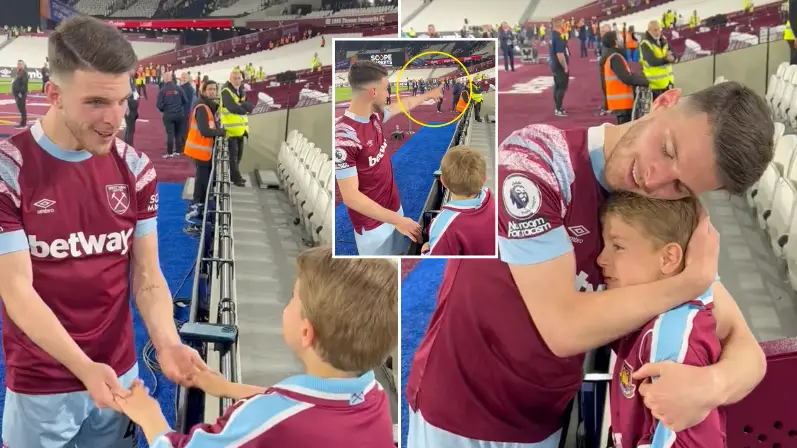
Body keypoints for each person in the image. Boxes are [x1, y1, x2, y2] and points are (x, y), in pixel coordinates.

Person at [406, 81, 772, 447]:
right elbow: (562, 327)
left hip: (543, 418)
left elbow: (746, 348)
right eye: (666, 148)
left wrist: (709, 387)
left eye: (681, 186)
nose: (654, 178)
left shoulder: (667, 211)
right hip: (457, 407)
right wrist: (688, 283)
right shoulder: (538, 158)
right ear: (664, 102)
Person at [0, 15, 207, 448]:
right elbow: (16, 289)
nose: (114, 119)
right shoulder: (10, 170)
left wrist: (167, 343)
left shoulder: (135, 168)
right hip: (42, 381)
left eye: (122, 101)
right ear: (53, 94)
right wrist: (83, 366)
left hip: (120, 374)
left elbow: (147, 276)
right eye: (96, 102)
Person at [113, 245, 397, 447]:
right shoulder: (375, 397)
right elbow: (312, 408)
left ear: (306, 332)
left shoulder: (269, 418)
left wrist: (148, 414)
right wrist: (228, 389)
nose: (288, 305)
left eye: (293, 298)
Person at [600, 192, 725, 447]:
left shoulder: (671, 341)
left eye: (618, 247)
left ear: (668, 258)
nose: (601, 259)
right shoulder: (644, 308)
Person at [335, 60, 442, 256]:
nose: (389, 94)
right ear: (373, 92)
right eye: (386, 89)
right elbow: (351, 198)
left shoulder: (374, 116)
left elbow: (404, 105)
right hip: (373, 228)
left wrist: (429, 95)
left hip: (393, 212)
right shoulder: (344, 136)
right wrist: (397, 220)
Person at [420, 146, 495, 256]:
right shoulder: (491, 198)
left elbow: (435, 261)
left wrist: (425, 250)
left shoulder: (444, 224)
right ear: (484, 179)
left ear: (443, 181)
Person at [184, 80, 227, 229]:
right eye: (209, 89)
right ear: (203, 91)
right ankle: (197, 204)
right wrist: (221, 132)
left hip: (203, 150)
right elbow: (204, 131)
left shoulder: (207, 105)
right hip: (200, 150)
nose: (212, 92)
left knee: (203, 178)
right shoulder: (202, 107)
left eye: (215, 89)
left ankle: (199, 203)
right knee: (202, 179)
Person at [601, 31, 649, 124]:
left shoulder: (613, 56)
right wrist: (645, 81)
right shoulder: (615, 57)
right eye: (619, 36)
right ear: (616, 41)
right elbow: (627, 78)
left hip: (621, 104)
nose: (622, 38)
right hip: (622, 105)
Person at [220, 69, 254, 187]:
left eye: (239, 78)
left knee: (238, 156)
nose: (237, 80)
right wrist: (243, 107)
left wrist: (242, 106)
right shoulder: (226, 91)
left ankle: (234, 176)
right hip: (230, 131)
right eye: (235, 78)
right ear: (230, 79)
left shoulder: (242, 90)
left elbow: (251, 106)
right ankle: (236, 178)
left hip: (241, 130)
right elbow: (233, 107)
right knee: (233, 157)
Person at [639, 20, 675, 100]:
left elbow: (674, 54)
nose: (658, 32)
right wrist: (667, 59)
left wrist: (673, 58)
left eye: (659, 29)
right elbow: (652, 61)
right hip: (655, 86)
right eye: (655, 30)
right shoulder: (645, 43)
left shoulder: (664, 40)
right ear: (649, 31)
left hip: (668, 83)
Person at [156, 71, 188, 159]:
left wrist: (164, 109)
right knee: (178, 133)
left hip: (168, 115)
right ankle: (178, 151)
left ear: (164, 79)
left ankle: (170, 153)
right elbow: (185, 101)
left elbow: (158, 105)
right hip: (179, 114)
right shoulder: (179, 88)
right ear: (171, 78)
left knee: (170, 134)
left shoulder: (162, 90)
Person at [550, 18, 570, 117]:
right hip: (559, 66)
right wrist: (565, 66)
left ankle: (558, 107)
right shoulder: (558, 38)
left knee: (557, 86)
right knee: (561, 87)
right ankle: (558, 109)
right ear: (560, 25)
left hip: (554, 65)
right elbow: (560, 55)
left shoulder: (553, 36)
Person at [12, 60, 29, 129]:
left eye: (20, 64)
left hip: (20, 94)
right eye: (18, 64)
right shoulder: (18, 73)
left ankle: (23, 124)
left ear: (23, 65)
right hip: (17, 94)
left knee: (22, 109)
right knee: (20, 109)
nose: (18, 65)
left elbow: (24, 84)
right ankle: (22, 123)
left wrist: (20, 93)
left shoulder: (24, 73)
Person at [125, 68, 140, 145]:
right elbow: (125, 95)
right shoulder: (126, 81)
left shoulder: (131, 80)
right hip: (130, 105)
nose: (134, 71)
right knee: (130, 128)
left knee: (130, 128)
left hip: (133, 106)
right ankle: (130, 146)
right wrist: (126, 106)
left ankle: (128, 145)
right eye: (133, 70)